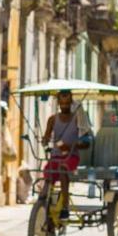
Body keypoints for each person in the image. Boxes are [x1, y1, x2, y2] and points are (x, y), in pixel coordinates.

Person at [42, 89, 91, 220]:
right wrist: (45, 140)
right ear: (58, 103)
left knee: (63, 169)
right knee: (48, 171)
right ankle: (43, 202)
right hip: (56, 156)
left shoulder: (77, 119)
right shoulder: (52, 120)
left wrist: (70, 147)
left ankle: (65, 206)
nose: (64, 106)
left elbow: (87, 143)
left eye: (67, 104)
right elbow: (46, 137)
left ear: (71, 102)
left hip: (72, 157)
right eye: (61, 103)